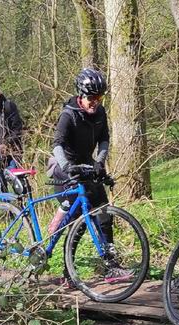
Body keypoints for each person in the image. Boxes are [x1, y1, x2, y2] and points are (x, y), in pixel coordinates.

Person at [46, 67, 130, 286]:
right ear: (81, 96)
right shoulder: (69, 114)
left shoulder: (100, 113)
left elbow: (104, 139)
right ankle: (68, 273)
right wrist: (67, 167)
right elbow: (57, 145)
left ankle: (112, 267)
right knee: (78, 223)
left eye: (99, 97)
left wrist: (100, 162)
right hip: (65, 168)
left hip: (87, 165)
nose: (95, 102)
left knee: (104, 215)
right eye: (91, 98)